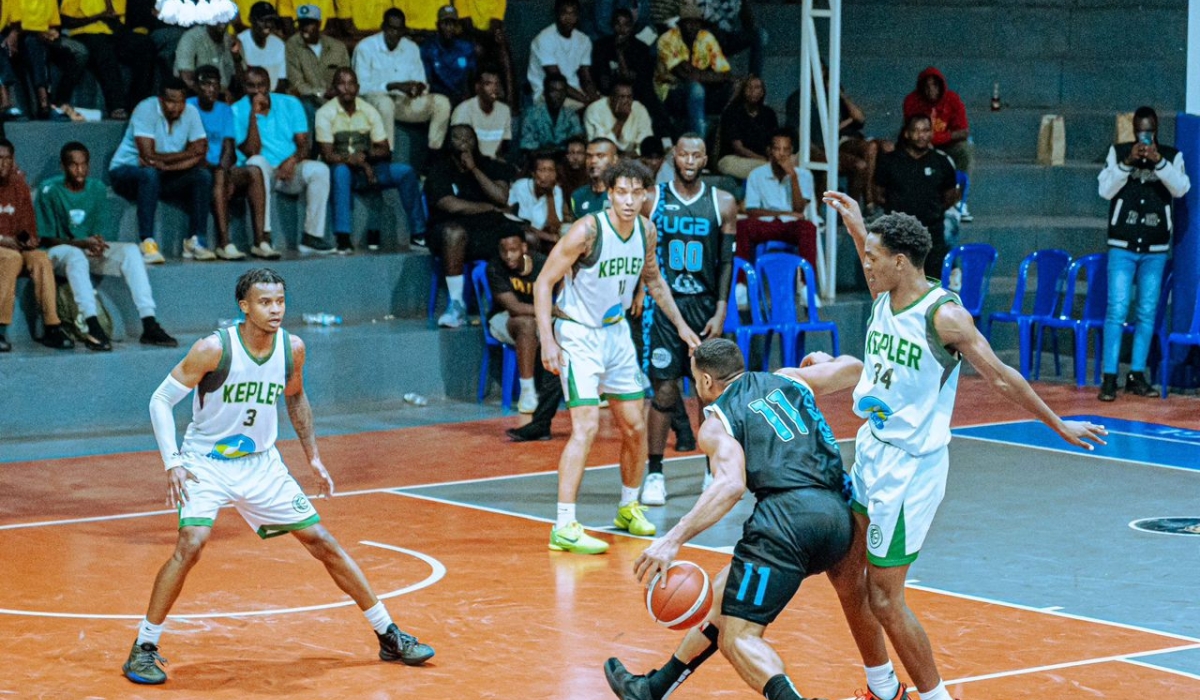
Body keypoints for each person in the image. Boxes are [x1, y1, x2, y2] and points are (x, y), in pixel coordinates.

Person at [821, 191, 1108, 700]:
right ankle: (882, 688)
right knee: (845, 573)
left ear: (900, 263)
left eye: (871, 256)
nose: (864, 263)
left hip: (910, 470)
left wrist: (1058, 424)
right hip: (871, 451)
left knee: (885, 600)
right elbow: (873, 249)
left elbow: (1001, 378)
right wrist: (857, 225)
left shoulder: (944, 318)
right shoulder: (886, 288)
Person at [120, 267, 434, 686]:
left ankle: (388, 634)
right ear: (244, 306)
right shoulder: (214, 349)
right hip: (206, 462)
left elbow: (296, 397)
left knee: (322, 541)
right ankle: (144, 646)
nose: (275, 309)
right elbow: (160, 400)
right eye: (265, 302)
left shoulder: (292, 348)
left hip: (262, 463)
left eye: (280, 301)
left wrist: (314, 457)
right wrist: (172, 462)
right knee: (191, 543)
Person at [604, 340, 866, 700]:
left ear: (708, 381)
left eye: (696, 380)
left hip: (785, 524)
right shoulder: (789, 378)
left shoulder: (717, 422)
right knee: (724, 597)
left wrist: (673, 538)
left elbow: (730, 485)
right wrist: (829, 359)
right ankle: (653, 688)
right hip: (839, 518)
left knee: (738, 637)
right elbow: (856, 369)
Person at [534, 158, 701, 555]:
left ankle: (629, 506)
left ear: (646, 195)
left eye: (635, 193)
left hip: (615, 333)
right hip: (577, 333)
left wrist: (680, 325)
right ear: (609, 195)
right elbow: (544, 281)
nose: (628, 200)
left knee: (634, 427)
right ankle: (564, 525)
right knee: (586, 427)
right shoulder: (587, 230)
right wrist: (547, 339)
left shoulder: (646, 230)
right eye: (621, 192)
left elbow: (654, 279)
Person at [641, 132, 737, 506]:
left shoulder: (722, 202)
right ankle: (654, 472)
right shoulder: (655, 199)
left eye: (697, 154)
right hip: (666, 309)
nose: (691, 160)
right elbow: (643, 252)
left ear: (705, 160)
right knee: (664, 391)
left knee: (707, 395)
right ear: (674, 157)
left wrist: (721, 307)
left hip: (704, 308)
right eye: (684, 154)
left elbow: (726, 261)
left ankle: (710, 470)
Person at [37, 142, 179, 351]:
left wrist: (97, 244)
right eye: (73, 165)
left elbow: (98, 231)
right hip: (57, 253)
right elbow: (46, 239)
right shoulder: (49, 189)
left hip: (84, 248)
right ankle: (92, 326)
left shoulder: (97, 188)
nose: (79, 170)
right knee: (75, 255)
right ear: (63, 167)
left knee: (131, 251)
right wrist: (82, 243)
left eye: (84, 165)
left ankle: (149, 322)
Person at [1097, 106, 1190, 401]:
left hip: (1155, 247)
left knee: (1147, 312)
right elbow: (1105, 190)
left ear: (1156, 130)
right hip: (1122, 245)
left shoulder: (1172, 156)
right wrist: (1127, 163)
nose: (1144, 137)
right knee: (1117, 310)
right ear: (1133, 129)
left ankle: (1137, 374)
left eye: (1148, 131)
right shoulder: (1118, 151)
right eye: (1139, 131)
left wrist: (1158, 162)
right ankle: (1109, 377)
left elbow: (1180, 188)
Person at [317, 67, 427, 253]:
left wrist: (366, 157)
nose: (347, 88)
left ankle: (418, 234)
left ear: (358, 88)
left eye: (351, 83)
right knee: (340, 171)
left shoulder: (369, 111)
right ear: (334, 88)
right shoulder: (325, 113)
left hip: (370, 168)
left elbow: (385, 150)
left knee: (406, 172)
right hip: (344, 170)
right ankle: (343, 238)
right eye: (341, 84)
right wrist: (356, 161)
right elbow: (328, 155)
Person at [425, 124, 523, 328]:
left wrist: (474, 169)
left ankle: (523, 299)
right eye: (457, 138)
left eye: (468, 138)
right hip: (448, 231)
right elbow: (449, 204)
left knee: (527, 238)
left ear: (475, 141)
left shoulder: (490, 165)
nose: (463, 143)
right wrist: (487, 207)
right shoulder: (439, 169)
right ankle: (457, 306)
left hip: (486, 229)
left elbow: (501, 197)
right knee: (454, 233)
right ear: (448, 142)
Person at [108, 79, 213, 265]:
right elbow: (148, 156)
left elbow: (200, 154)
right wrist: (187, 154)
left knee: (202, 176)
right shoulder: (146, 109)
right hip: (126, 172)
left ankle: (195, 241)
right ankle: (147, 242)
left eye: (180, 101)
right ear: (161, 99)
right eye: (170, 101)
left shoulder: (191, 112)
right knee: (149, 173)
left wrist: (168, 166)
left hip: (164, 175)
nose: (175, 107)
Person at [234, 66, 335, 254]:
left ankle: (311, 237)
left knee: (319, 170)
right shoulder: (237, 110)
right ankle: (263, 237)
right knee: (256, 162)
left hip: (289, 171)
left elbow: (304, 144)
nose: (257, 91)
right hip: (260, 177)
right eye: (251, 86)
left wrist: (292, 160)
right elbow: (251, 150)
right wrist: (253, 115)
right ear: (243, 87)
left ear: (269, 85)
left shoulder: (290, 103)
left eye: (261, 85)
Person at [188, 65, 267, 261]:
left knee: (255, 171)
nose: (211, 89)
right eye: (205, 84)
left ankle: (261, 242)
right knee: (218, 176)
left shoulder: (224, 110)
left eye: (215, 85)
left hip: (220, 168)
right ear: (196, 86)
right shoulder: (189, 106)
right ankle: (224, 243)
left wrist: (224, 170)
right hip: (196, 167)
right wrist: (218, 171)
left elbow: (229, 147)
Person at [0, 138, 72, 351]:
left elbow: (27, 226)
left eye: (7, 159)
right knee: (11, 258)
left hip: (15, 246)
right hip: (5, 249)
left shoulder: (19, 185)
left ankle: (52, 326)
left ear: (13, 162)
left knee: (41, 258)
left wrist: (27, 239)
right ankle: (1, 327)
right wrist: (4, 241)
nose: (3, 164)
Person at [354, 8, 452, 152]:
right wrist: (393, 86)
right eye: (391, 28)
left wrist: (417, 88)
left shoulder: (411, 48)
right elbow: (360, 88)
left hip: (403, 102)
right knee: (385, 103)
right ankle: (386, 153)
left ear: (403, 30)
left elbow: (421, 82)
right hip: (373, 102)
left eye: (399, 30)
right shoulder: (365, 47)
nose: (394, 33)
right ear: (383, 27)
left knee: (442, 103)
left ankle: (433, 154)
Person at [873, 114, 957, 279]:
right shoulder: (890, 161)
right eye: (916, 131)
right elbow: (877, 194)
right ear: (907, 134)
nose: (921, 135)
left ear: (931, 133)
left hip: (932, 233)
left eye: (925, 130)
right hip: (898, 234)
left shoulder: (941, 162)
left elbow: (949, 196)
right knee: (899, 285)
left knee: (931, 284)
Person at [59, 0, 155, 120]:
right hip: (85, 33)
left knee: (145, 46)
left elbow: (123, 19)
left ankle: (137, 104)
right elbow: (65, 20)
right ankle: (117, 106)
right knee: (104, 50)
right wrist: (98, 17)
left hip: (113, 33)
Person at [738, 129, 819, 268]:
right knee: (742, 226)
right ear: (769, 151)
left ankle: (807, 284)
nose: (781, 154)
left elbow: (799, 209)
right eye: (777, 149)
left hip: (791, 226)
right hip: (766, 224)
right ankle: (741, 283)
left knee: (808, 228)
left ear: (791, 151)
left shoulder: (804, 175)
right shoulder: (756, 175)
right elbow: (752, 211)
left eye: (786, 149)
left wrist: (793, 177)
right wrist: (783, 214)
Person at [489, 230, 548, 414]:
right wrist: (551, 311)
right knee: (526, 324)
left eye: (513, 250)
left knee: (570, 324)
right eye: (504, 251)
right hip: (504, 318)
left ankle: (583, 388)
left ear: (524, 248)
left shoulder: (541, 262)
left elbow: (564, 280)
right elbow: (514, 308)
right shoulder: (495, 267)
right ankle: (528, 392)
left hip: (539, 314)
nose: (508, 256)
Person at [654, 0, 731, 138]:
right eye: (688, 23)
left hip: (702, 87)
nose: (691, 27)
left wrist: (700, 75)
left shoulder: (706, 37)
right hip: (671, 92)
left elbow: (725, 73)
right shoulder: (667, 39)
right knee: (696, 89)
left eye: (696, 23)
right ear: (680, 24)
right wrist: (710, 76)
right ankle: (698, 142)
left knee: (735, 86)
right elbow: (684, 75)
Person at [902, 67, 971, 220]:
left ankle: (959, 202)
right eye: (927, 86)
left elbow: (964, 131)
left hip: (947, 142)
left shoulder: (952, 99)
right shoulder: (912, 101)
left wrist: (938, 137)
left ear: (941, 86)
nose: (931, 90)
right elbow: (913, 131)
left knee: (965, 149)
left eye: (934, 85)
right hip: (920, 143)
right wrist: (939, 137)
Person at [2, 0, 86, 120]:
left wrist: (52, 32)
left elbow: (53, 22)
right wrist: (36, 31)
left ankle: (60, 101)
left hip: (42, 35)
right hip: (20, 34)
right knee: (32, 45)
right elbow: (13, 22)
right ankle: (43, 100)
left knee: (80, 52)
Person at [591, 8, 667, 135]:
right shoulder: (601, 46)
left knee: (655, 105)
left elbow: (638, 81)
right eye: (618, 24)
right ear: (612, 25)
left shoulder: (641, 48)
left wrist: (620, 54)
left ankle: (665, 143)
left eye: (626, 25)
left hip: (637, 92)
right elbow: (603, 81)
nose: (622, 29)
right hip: (611, 92)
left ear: (632, 27)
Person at [285, 5, 351, 126]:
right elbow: (296, 83)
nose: (304, 28)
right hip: (308, 100)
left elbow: (346, 77)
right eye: (302, 23)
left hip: (335, 98)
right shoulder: (292, 46)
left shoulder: (337, 47)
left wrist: (338, 91)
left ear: (319, 24)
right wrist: (322, 92)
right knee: (307, 106)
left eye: (309, 24)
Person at [528, 0, 598, 109]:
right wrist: (585, 100)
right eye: (564, 13)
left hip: (575, 89)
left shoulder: (584, 40)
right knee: (584, 109)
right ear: (556, 14)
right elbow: (556, 78)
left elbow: (586, 77)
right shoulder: (544, 39)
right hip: (548, 92)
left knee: (604, 107)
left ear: (578, 16)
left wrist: (594, 99)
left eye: (573, 13)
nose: (569, 18)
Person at [717, 75, 777, 179]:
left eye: (757, 87)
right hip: (734, 159)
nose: (753, 91)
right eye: (749, 87)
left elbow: (771, 143)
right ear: (743, 91)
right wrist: (762, 159)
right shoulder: (732, 112)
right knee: (767, 169)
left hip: (762, 160)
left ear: (762, 92)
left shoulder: (769, 114)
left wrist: (771, 156)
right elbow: (738, 148)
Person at [508, 151, 566, 253]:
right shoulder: (520, 186)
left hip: (542, 237)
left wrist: (550, 195)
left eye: (551, 170)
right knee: (531, 238)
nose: (547, 175)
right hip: (520, 234)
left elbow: (554, 227)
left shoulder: (556, 191)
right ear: (534, 174)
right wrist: (547, 236)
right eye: (542, 170)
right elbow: (511, 218)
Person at [450, 67, 512, 160]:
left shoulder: (504, 110)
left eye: (497, 84)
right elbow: (459, 147)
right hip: (472, 163)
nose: (494, 88)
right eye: (488, 84)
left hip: (494, 164)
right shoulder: (463, 110)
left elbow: (504, 146)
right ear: (478, 87)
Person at [519, 74, 585, 159]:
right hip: (539, 163)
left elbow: (576, 145)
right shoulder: (532, 115)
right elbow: (529, 148)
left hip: (564, 162)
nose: (558, 95)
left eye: (562, 91)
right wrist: (560, 150)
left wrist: (547, 150)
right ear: (545, 93)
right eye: (553, 91)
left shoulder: (571, 115)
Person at [421, 5, 476, 106]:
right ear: (437, 25)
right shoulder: (428, 48)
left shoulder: (466, 48)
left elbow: (471, 78)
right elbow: (427, 82)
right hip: (438, 100)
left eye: (452, 23)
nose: (449, 27)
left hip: (461, 99)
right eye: (445, 23)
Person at [584, 78, 653, 155]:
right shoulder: (594, 110)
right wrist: (621, 121)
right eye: (622, 97)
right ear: (611, 98)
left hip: (633, 158)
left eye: (629, 97)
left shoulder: (639, 109)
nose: (626, 101)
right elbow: (600, 148)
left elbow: (646, 144)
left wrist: (629, 157)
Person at [697, 0, 766, 76]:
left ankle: (753, 79)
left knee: (759, 35)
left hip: (727, 37)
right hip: (704, 38)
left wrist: (744, 4)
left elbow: (749, 24)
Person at [175, 21, 240, 96]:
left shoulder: (229, 40)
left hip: (223, 95)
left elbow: (239, 80)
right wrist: (213, 95)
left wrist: (237, 58)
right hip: (195, 96)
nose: (222, 22)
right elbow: (186, 78)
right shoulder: (191, 37)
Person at [238, 2, 290, 92]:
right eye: (262, 20)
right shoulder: (241, 42)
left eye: (270, 21)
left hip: (273, 96)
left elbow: (282, 80)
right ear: (251, 20)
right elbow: (240, 82)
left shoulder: (278, 44)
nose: (268, 25)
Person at [568, 137, 619, 220]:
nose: (593, 161)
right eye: (589, 156)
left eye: (600, 156)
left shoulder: (625, 193)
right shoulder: (578, 196)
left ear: (615, 160)